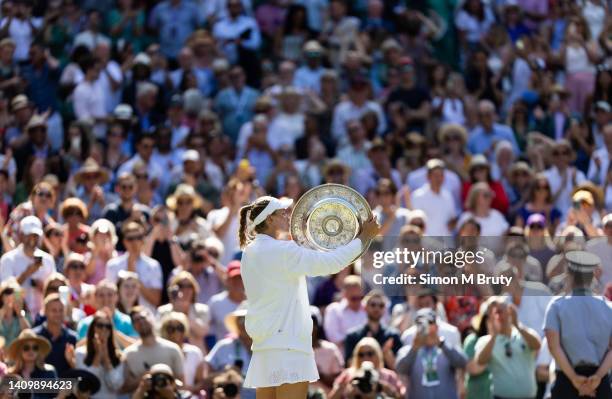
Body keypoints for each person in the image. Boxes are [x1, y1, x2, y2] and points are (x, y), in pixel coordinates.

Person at [237, 195, 379, 398]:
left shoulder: (248, 253)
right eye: (282, 212)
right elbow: (332, 262)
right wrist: (365, 238)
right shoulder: (283, 251)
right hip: (289, 346)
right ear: (269, 219)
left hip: (265, 346)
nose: (288, 215)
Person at [544, 251, 612, 399]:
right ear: (593, 276)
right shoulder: (609, 308)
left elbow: (553, 347)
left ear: (569, 275)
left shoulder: (556, 306)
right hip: (599, 384)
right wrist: (597, 377)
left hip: (566, 381)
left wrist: (574, 378)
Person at [475, 297, 541, 399]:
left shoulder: (524, 334)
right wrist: (494, 335)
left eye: (500, 311)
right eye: (493, 314)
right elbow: (480, 361)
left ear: (510, 311)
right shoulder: (486, 341)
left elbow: (537, 345)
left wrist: (517, 325)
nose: (498, 316)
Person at [395, 308, 468, 399]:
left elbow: (462, 362)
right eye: (421, 324)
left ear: (437, 326)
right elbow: (400, 369)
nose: (426, 328)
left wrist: (441, 344)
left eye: (430, 323)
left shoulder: (446, 346)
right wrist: (414, 348)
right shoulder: (408, 349)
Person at [0, 215, 55, 316]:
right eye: (28, 235)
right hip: (15, 317)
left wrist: (43, 286)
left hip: (43, 316)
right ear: (21, 235)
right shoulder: (8, 259)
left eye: (35, 235)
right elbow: (5, 292)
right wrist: (26, 274)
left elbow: (54, 291)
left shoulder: (48, 260)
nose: (32, 239)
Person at [122, 306, 185, 393]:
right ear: (133, 326)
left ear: (152, 318)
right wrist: (144, 379)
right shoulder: (129, 354)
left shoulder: (172, 349)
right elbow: (124, 388)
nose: (141, 322)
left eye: (143, 317)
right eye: (136, 320)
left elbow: (182, 383)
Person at [105, 221, 163, 310]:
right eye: (130, 238)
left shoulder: (153, 266)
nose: (134, 242)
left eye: (138, 238)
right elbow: (109, 297)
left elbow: (156, 300)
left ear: (143, 240)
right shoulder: (112, 265)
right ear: (124, 241)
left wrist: (134, 276)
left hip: (145, 316)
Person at [329, 337, 404, 399]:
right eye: (361, 354)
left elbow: (401, 397)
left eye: (370, 354)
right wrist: (347, 392)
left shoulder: (389, 376)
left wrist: (385, 389)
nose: (365, 358)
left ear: (378, 354)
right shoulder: (347, 375)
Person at [343, 290, 401, 370]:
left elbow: (399, 369)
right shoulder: (352, 336)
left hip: (386, 380)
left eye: (381, 305)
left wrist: (386, 354)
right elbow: (349, 366)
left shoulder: (393, 335)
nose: (377, 308)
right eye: (373, 305)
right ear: (365, 307)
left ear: (385, 309)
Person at [75, 310, 124, 398]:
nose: (104, 329)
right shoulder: (80, 353)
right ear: (93, 328)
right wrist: (98, 355)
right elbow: (85, 385)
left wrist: (106, 358)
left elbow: (116, 385)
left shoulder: (118, 356)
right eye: (100, 325)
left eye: (108, 326)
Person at [160, 311, 205, 394]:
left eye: (180, 328)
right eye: (171, 328)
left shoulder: (194, 352)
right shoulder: (160, 352)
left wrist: (187, 391)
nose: (176, 332)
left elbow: (201, 382)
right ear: (165, 330)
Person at [32, 294, 78, 375]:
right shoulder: (34, 336)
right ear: (45, 311)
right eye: (54, 310)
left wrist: (72, 361)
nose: (58, 314)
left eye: (61, 310)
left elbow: (76, 368)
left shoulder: (72, 338)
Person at [6, 329, 56, 398]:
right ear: (20, 351)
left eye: (35, 348)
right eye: (26, 348)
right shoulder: (10, 375)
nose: (31, 351)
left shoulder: (49, 373)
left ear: (38, 351)